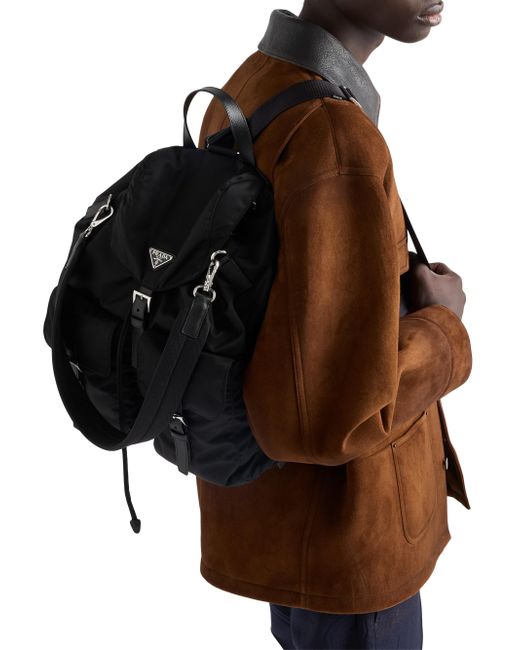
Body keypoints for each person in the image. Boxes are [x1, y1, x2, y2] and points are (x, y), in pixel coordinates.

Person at [195, 3, 472, 649]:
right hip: (348, 541)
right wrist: (443, 328)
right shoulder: (332, 132)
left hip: (279, 522)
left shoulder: (251, 85)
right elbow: (333, 417)